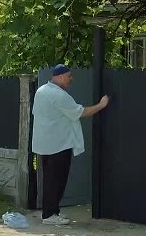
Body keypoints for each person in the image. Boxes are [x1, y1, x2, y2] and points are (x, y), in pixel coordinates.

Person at [32, 64, 110, 225]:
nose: (71, 79)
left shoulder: (41, 91)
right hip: (59, 145)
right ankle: (50, 215)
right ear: (60, 77)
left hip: (44, 144)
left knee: (49, 180)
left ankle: (50, 212)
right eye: (69, 76)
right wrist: (101, 105)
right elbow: (82, 112)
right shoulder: (59, 95)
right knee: (57, 181)